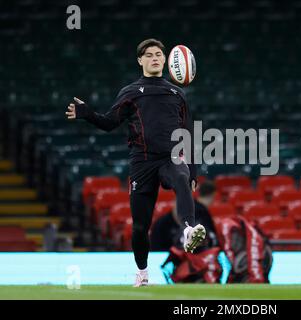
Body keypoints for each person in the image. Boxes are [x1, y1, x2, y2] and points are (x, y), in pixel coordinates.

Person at [65, 38, 206, 287]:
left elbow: (188, 134)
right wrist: (87, 113)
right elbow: (109, 123)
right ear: (140, 60)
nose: (154, 58)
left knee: (182, 177)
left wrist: (193, 169)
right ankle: (142, 273)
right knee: (140, 226)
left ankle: (188, 229)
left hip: (170, 158)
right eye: (149, 55)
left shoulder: (177, 93)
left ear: (165, 60)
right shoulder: (130, 92)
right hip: (142, 163)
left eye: (158, 55)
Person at [150, 180, 218, 251]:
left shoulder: (201, 218)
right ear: (174, 203)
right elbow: (156, 253)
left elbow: (213, 242)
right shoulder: (160, 225)